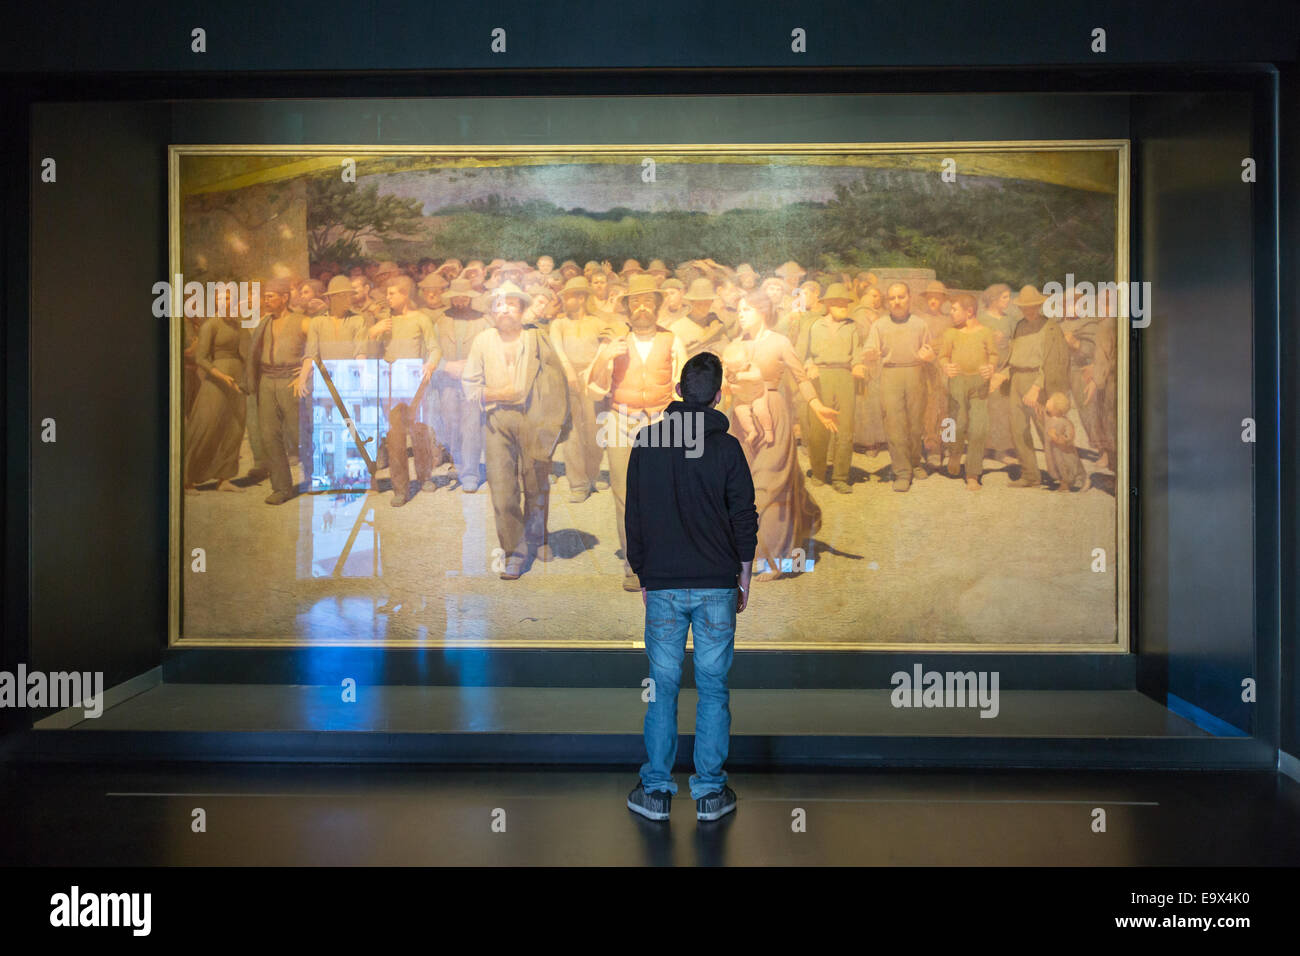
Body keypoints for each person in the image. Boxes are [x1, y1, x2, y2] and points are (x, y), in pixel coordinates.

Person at [624, 351, 758, 824]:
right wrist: (743, 573)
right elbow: (743, 517)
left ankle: (657, 792)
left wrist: (643, 573)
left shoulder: (646, 443)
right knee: (714, 687)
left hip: (661, 586)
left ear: (678, 393)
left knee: (661, 688)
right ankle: (709, 794)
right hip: (717, 586)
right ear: (719, 396)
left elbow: (634, 517)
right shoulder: (729, 449)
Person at [462, 282, 570, 579]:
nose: (504, 309)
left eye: (511, 304)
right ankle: (514, 553)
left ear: (522, 310)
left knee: (536, 484)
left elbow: (557, 383)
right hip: (497, 422)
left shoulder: (537, 339)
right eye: (498, 304)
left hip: (534, 420)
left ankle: (538, 538)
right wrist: (497, 393)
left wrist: (553, 424)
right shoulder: (483, 341)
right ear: (492, 312)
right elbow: (469, 385)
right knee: (502, 491)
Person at [937, 293, 997, 490]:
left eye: (954, 309)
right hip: (957, 384)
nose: (951, 313)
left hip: (980, 385)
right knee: (956, 424)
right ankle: (954, 453)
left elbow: (994, 355)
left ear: (969, 311)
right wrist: (946, 366)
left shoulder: (986, 332)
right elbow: (943, 357)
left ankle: (973, 473)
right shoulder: (950, 333)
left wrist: (991, 367)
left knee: (979, 429)